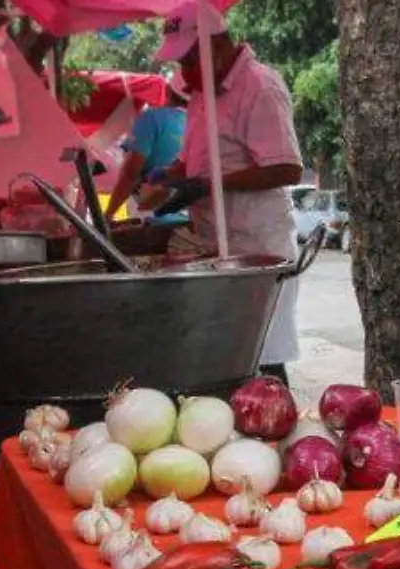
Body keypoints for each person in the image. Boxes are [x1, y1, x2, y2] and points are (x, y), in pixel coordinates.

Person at [141, 6, 303, 381]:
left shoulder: (260, 87)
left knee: (262, 358)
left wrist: (210, 184)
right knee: (225, 357)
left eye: (187, 61)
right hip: (216, 246)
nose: (183, 74)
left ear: (212, 47)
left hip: (259, 249)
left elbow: (287, 168)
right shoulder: (201, 92)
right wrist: (169, 177)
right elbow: (192, 161)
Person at [106, 80, 187, 221]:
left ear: (167, 91)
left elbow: (130, 172)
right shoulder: (197, 123)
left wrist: (108, 214)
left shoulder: (150, 118)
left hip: (150, 213)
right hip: (189, 214)